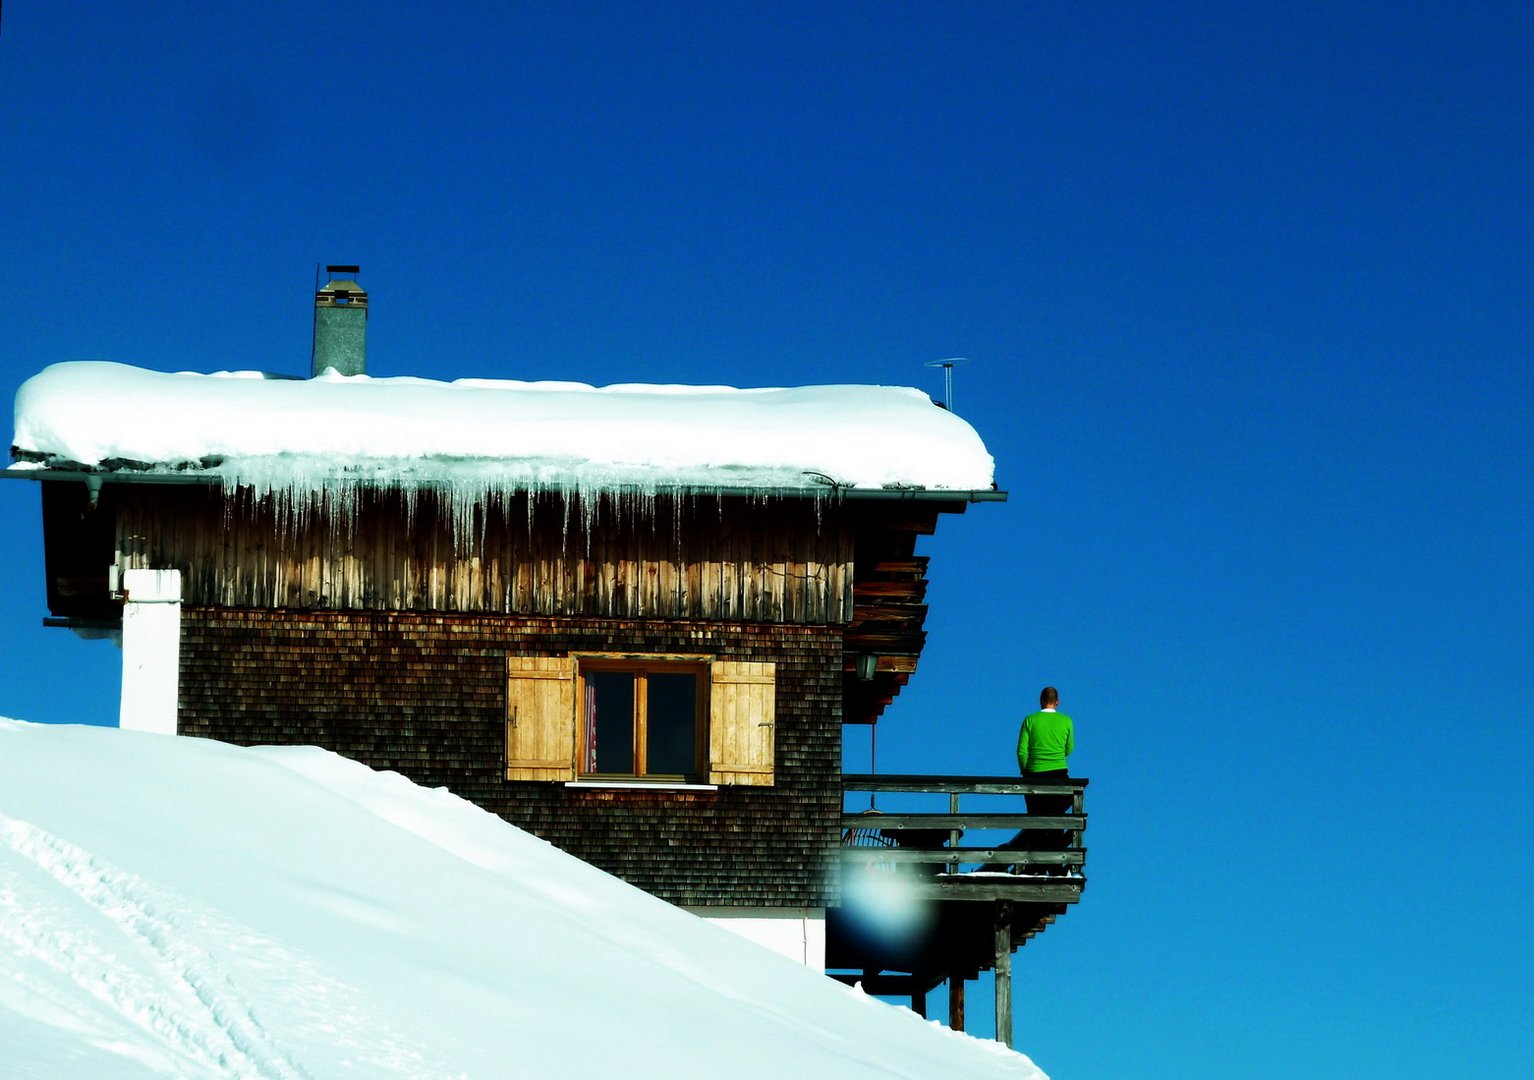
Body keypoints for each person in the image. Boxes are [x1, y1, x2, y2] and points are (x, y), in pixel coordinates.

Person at [1014, 686, 1075, 874]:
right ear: (1057, 701)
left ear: (1040, 700)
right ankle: (1055, 865)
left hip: (1034, 774)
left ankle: (1036, 865)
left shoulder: (1030, 720)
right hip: (1058, 774)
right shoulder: (1066, 721)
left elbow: (1021, 751)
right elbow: (1069, 748)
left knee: (1036, 821)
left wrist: (1026, 772)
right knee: (1056, 822)